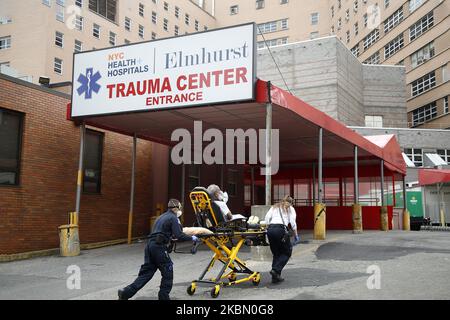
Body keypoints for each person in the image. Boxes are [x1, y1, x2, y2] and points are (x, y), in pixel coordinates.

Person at [118, 199, 199, 300]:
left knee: (146, 273)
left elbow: (162, 233)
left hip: (149, 246)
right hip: (159, 247)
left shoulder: (160, 217)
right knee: (168, 271)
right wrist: (192, 238)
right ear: (177, 208)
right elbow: (179, 235)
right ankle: (163, 297)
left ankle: (126, 293)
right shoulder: (173, 218)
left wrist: (169, 239)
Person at [264, 195, 300, 284]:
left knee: (276, 253)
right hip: (280, 230)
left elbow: (267, 219)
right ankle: (275, 270)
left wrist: (267, 230)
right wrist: (296, 235)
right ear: (292, 203)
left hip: (270, 230)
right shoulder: (290, 209)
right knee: (287, 252)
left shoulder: (274, 207)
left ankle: (275, 277)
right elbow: (293, 223)